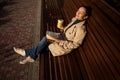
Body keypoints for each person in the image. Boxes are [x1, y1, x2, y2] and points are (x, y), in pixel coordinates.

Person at [13, 6, 91, 64]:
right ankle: (31, 55)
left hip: (64, 45)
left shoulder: (81, 29)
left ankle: (27, 53)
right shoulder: (75, 19)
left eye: (81, 12)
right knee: (45, 38)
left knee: (45, 44)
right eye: (78, 10)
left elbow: (75, 45)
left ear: (85, 17)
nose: (78, 13)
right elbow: (67, 31)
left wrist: (59, 41)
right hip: (61, 37)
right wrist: (62, 27)